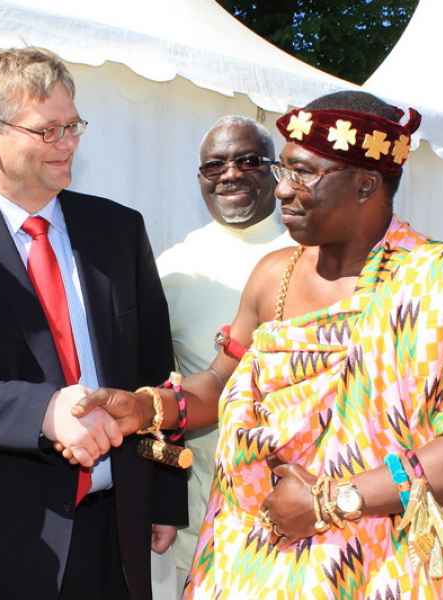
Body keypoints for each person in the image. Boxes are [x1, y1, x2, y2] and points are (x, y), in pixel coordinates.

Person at [71, 90, 443, 598]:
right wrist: (147, 408)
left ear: (366, 184)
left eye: (303, 173)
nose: (282, 190)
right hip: (256, 560)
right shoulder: (274, 276)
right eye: (283, 170)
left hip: (391, 568)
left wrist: (334, 501)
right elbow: (219, 383)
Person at [0, 47, 187, 600]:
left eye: (73, 126)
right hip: (5, 534)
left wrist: (167, 493)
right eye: (48, 130)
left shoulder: (119, 230)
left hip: (118, 526)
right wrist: (43, 413)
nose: (67, 143)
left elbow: (155, 371)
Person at [155, 115, 291, 593]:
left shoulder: (315, 255)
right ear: (200, 179)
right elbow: (162, 390)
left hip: (307, 514)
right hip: (205, 519)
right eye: (215, 166)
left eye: (247, 161)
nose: (230, 174)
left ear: (275, 170)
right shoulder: (173, 269)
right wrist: (162, 501)